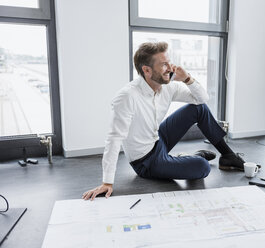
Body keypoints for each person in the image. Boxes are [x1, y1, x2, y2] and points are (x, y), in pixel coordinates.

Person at [83, 42, 245, 201]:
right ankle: (193, 158)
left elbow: (202, 99)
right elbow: (114, 139)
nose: (170, 68)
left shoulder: (168, 86)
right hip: (146, 161)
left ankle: (227, 155)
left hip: (159, 140)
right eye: (164, 65)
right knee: (202, 167)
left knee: (198, 109)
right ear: (147, 70)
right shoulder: (127, 96)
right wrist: (107, 182)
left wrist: (187, 79)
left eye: (169, 62)